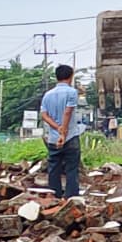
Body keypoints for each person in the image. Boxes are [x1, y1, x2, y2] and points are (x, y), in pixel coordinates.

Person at [39, 64, 81, 198]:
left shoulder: (47, 95)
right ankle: (71, 197)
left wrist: (57, 128)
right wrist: (63, 132)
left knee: (53, 169)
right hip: (70, 136)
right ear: (70, 77)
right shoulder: (72, 92)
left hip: (52, 137)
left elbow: (44, 115)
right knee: (71, 169)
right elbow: (68, 112)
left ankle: (54, 197)